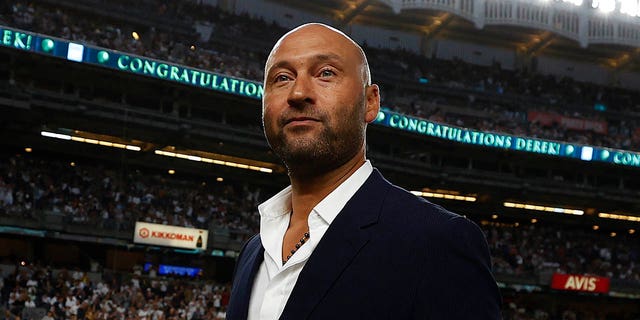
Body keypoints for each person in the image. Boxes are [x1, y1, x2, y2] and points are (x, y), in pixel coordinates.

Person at [227, 23, 502, 319]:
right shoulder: (253, 252)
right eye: (282, 78)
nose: (299, 92)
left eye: (326, 73)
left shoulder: (437, 241)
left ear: (370, 102)